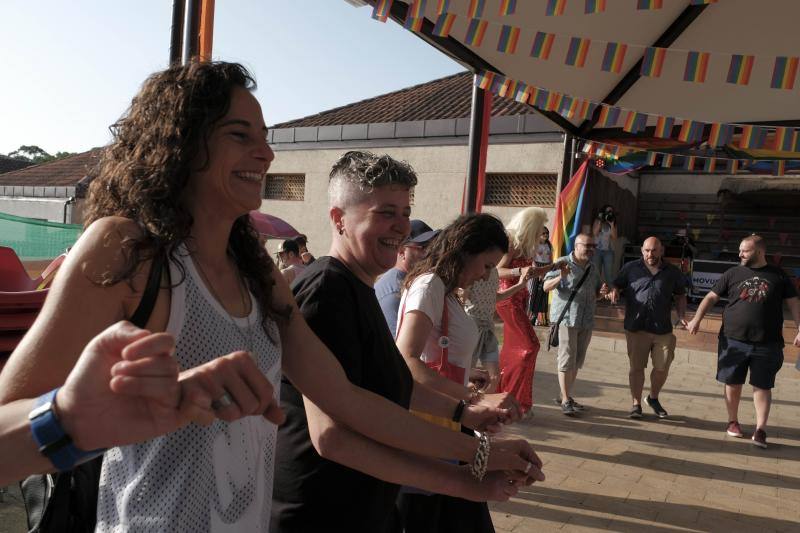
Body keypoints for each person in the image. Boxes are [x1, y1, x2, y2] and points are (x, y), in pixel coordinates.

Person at [0, 63, 541, 532]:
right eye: (240, 135)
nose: (266, 151)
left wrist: (474, 461)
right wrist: (68, 416)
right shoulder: (126, 250)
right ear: (182, 142)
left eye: (264, 135)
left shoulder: (258, 270)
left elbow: (350, 403)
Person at [271, 151, 544, 533]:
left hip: (366, 506)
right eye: (385, 212)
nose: (401, 227)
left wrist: (463, 414)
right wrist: (472, 468)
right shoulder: (327, 290)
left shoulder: (357, 285)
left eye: (405, 212)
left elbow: (383, 385)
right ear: (339, 219)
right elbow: (332, 435)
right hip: (323, 511)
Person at [0, 321, 284, 486]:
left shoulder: (260, 273)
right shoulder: (120, 247)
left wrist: (71, 420)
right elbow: (10, 401)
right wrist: (64, 420)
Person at [395, 213, 522, 532]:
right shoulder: (430, 286)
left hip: (447, 426)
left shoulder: (441, 288)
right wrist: (474, 399)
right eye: (487, 265)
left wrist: (466, 384)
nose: (485, 276)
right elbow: (407, 362)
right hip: (431, 430)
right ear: (465, 250)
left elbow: (431, 358)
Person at [687, 235, 800, 448]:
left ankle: (760, 430)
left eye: (744, 251)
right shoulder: (733, 273)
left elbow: (794, 302)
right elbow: (711, 297)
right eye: (740, 250)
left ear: (759, 252)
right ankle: (733, 422)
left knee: (762, 386)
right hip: (733, 340)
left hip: (767, 342)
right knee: (732, 382)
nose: (740, 254)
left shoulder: (779, 275)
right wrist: (696, 319)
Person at [609, 236, 688, 420]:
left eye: (654, 250)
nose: (650, 254)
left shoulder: (672, 272)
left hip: (662, 328)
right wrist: (614, 291)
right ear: (641, 251)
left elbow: (680, 295)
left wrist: (682, 315)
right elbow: (617, 284)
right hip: (636, 328)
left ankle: (653, 397)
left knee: (662, 367)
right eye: (646, 250)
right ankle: (636, 403)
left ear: (661, 251)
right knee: (636, 368)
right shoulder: (630, 268)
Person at [496, 207, 552, 416]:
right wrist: (519, 271)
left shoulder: (528, 245)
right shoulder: (511, 241)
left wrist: (555, 266)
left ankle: (510, 399)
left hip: (519, 300)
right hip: (507, 299)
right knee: (530, 347)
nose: (542, 234)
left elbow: (531, 273)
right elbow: (496, 270)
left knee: (514, 350)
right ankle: (512, 397)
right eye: (539, 229)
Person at [542, 234, 606, 415]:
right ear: (576, 246)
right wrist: (560, 277)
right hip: (567, 319)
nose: (591, 249)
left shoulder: (593, 268)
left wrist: (603, 292)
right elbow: (546, 286)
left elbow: (596, 293)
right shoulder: (562, 262)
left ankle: (566, 395)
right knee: (567, 359)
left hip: (586, 320)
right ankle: (565, 399)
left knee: (577, 360)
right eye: (587, 246)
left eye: (593, 246)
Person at [463, 261, 531, 394]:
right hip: (471, 327)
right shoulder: (471, 269)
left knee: (494, 377)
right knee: (464, 375)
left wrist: (520, 285)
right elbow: (460, 296)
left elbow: (496, 297)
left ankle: (479, 409)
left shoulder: (493, 272)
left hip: (487, 329)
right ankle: (466, 409)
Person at [375, 219, 438, 336]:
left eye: (433, 247)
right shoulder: (394, 293)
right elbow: (397, 349)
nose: (431, 254)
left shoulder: (413, 282)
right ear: (402, 251)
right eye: (424, 248)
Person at [532, 228, 554, 326]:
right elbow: (532, 259)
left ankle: (543, 319)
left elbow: (551, 259)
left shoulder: (549, 245)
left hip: (546, 268)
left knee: (544, 293)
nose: (546, 235)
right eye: (543, 233)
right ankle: (532, 316)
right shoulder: (535, 245)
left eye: (547, 233)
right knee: (535, 292)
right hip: (537, 268)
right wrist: (538, 272)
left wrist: (549, 270)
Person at [592, 204, 618, 284]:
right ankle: (595, 294)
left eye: (611, 211)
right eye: (607, 211)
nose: (609, 213)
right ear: (603, 212)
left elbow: (614, 238)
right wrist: (600, 220)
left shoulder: (613, 222)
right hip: (597, 251)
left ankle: (610, 295)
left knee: (609, 275)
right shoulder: (597, 221)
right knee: (596, 274)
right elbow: (594, 233)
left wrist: (612, 225)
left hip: (608, 251)